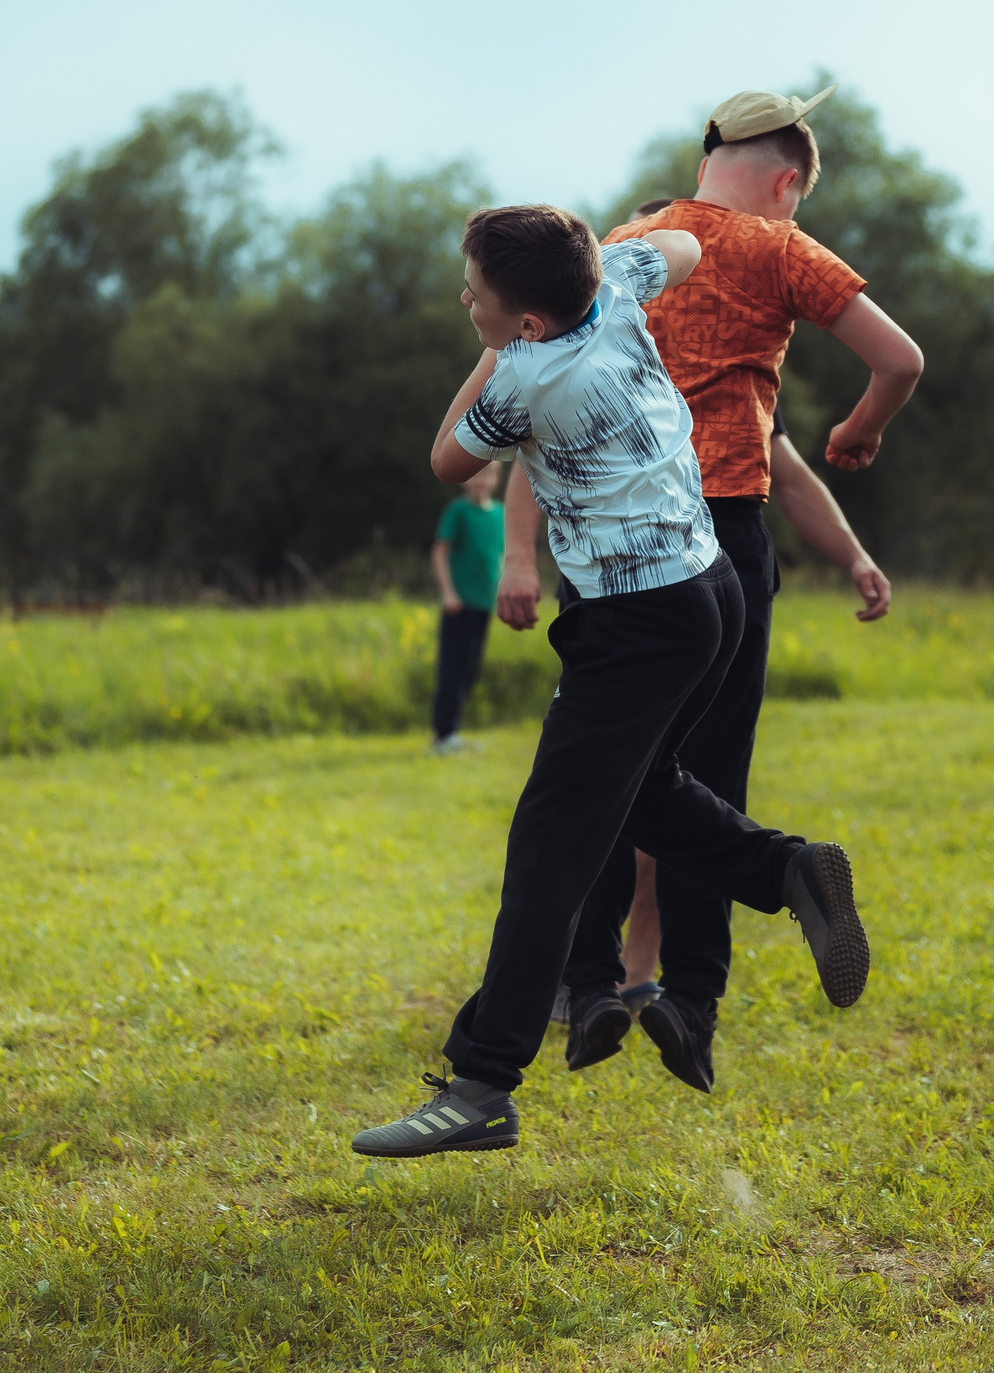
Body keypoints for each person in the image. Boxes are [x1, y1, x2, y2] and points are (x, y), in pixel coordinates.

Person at [351, 205, 868, 1159]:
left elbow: (444, 457)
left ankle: (480, 1085)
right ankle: (786, 870)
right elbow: (687, 246)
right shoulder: (622, 286)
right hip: (709, 595)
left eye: (476, 294)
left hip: (633, 622)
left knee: (551, 844)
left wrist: (501, 347)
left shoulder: (529, 376)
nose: (464, 300)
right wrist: (594, 263)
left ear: (528, 321)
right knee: (643, 797)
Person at [501, 88, 923, 1095]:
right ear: (786, 181)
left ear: (705, 159)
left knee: (609, 767)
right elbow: (899, 357)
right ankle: (691, 997)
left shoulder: (620, 244)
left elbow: (544, 398)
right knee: (708, 768)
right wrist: (862, 428)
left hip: (608, 545)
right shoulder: (781, 248)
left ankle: (594, 979)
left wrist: (521, 548)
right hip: (724, 534)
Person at [591, 406, 895, 1029]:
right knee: (669, 785)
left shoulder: (609, 343)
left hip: (635, 577)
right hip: (718, 577)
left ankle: (606, 976)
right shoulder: (636, 340)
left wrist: (854, 555)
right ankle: (651, 978)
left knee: (622, 782)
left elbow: (786, 472)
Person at [427, 461, 504, 753]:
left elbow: (500, 557)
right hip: (458, 605)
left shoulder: (500, 514)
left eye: (488, 474)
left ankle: (453, 731)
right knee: (453, 668)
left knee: (471, 670)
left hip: (485, 604)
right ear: (464, 480)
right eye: (476, 474)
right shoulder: (457, 511)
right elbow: (440, 552)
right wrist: (448, 593)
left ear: (497, 479)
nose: (482, 480)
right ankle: (443, 734)